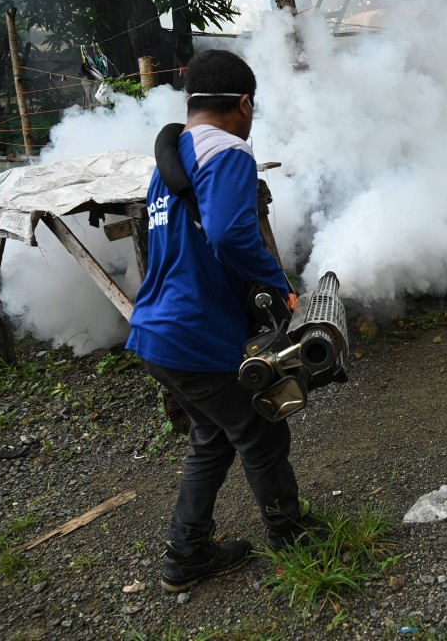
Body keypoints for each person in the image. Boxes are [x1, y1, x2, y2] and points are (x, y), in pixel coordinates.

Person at [126, 49, 317, 592]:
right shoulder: (228, 151)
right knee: (260, 429)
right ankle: (292, 537)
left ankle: (187, 556)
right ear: (244, 103)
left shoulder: (172, 161)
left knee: (212, 437)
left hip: (155, 331)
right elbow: (233, 235)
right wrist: (281, 288)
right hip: (192, 334)